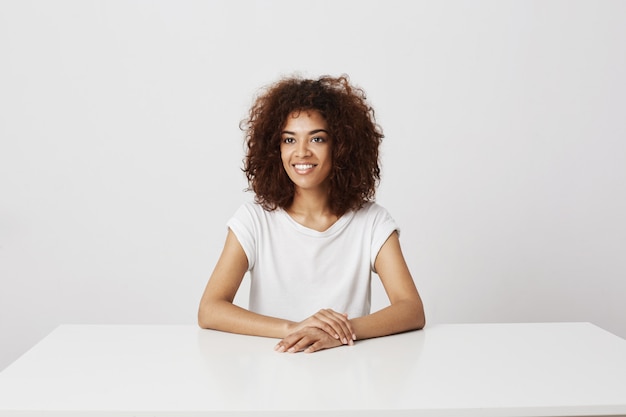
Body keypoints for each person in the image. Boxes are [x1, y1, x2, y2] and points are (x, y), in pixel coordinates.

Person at [198, 75, 425, 353]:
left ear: (341, 146)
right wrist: (294, 328)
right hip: (272, 371)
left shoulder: (372, 221)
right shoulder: (254, 220)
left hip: (347, 372)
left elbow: (411, 308)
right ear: (275, 148)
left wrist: (342, 332)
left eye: (317, 138)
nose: (301, 152)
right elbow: (210, 309)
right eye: (289, 140)